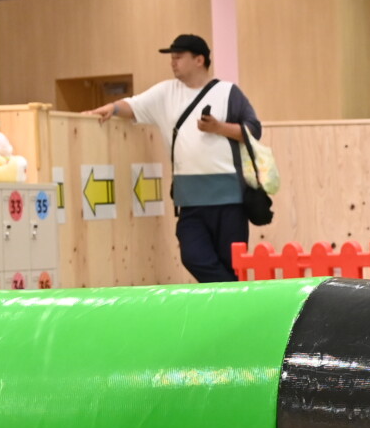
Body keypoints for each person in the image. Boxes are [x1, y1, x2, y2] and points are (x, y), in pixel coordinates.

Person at [89, 32, 263, 282]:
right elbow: (134, 105)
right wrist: (113, 108)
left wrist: (219, 128)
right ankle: (233, 292)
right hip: (189, 199)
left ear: (199, 60)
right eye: (172, 57)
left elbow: (253, 130)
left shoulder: (228, 92)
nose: (173, 62)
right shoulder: (165, 92)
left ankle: (230, 296)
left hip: (229, 198)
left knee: (231, 262)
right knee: (193, 256)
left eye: (178, 57)